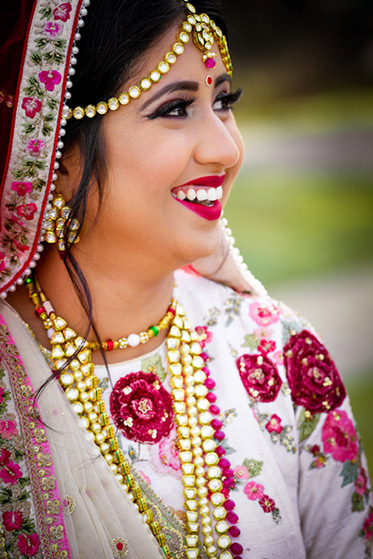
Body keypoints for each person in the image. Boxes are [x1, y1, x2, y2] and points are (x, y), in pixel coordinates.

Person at [0, 1, 371, 558]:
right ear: (54, 152)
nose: (226, 148)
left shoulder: (278, 356)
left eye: (223, 102)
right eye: (175, 109)